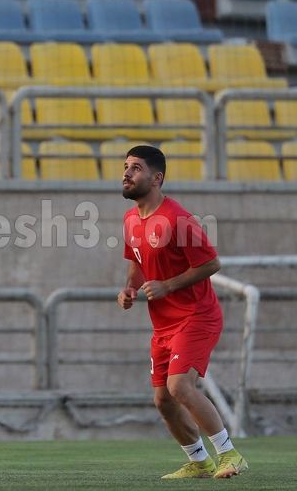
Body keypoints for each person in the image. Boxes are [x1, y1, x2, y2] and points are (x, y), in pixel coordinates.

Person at [117, 145, 248, 479]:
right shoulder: (131, 219)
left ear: (156, 178)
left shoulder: (178, 219)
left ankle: (230, 454)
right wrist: (130, 288)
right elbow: (137, 261)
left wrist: (167, 286)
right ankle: (199, 461)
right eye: (126, 166)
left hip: (197, 316)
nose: (127, 173)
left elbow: (211, 263)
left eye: (136, 168)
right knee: (163, 400)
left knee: (179, 388)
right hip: (163, 326)